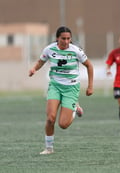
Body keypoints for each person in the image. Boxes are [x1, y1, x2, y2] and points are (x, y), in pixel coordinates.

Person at [29, 26, 94, 154]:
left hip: (71, 88)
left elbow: (89, 65)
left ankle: (75, 108)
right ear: (57, 38)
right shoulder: (49, 49)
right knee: (50, 118)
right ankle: (49, 148)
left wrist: (90, 86)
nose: (66, 41)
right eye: (63, 38)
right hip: (55, 86)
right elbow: (41, 61)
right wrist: (34, 69)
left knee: (63, 125)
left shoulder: (76, 51)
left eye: (68, 38)